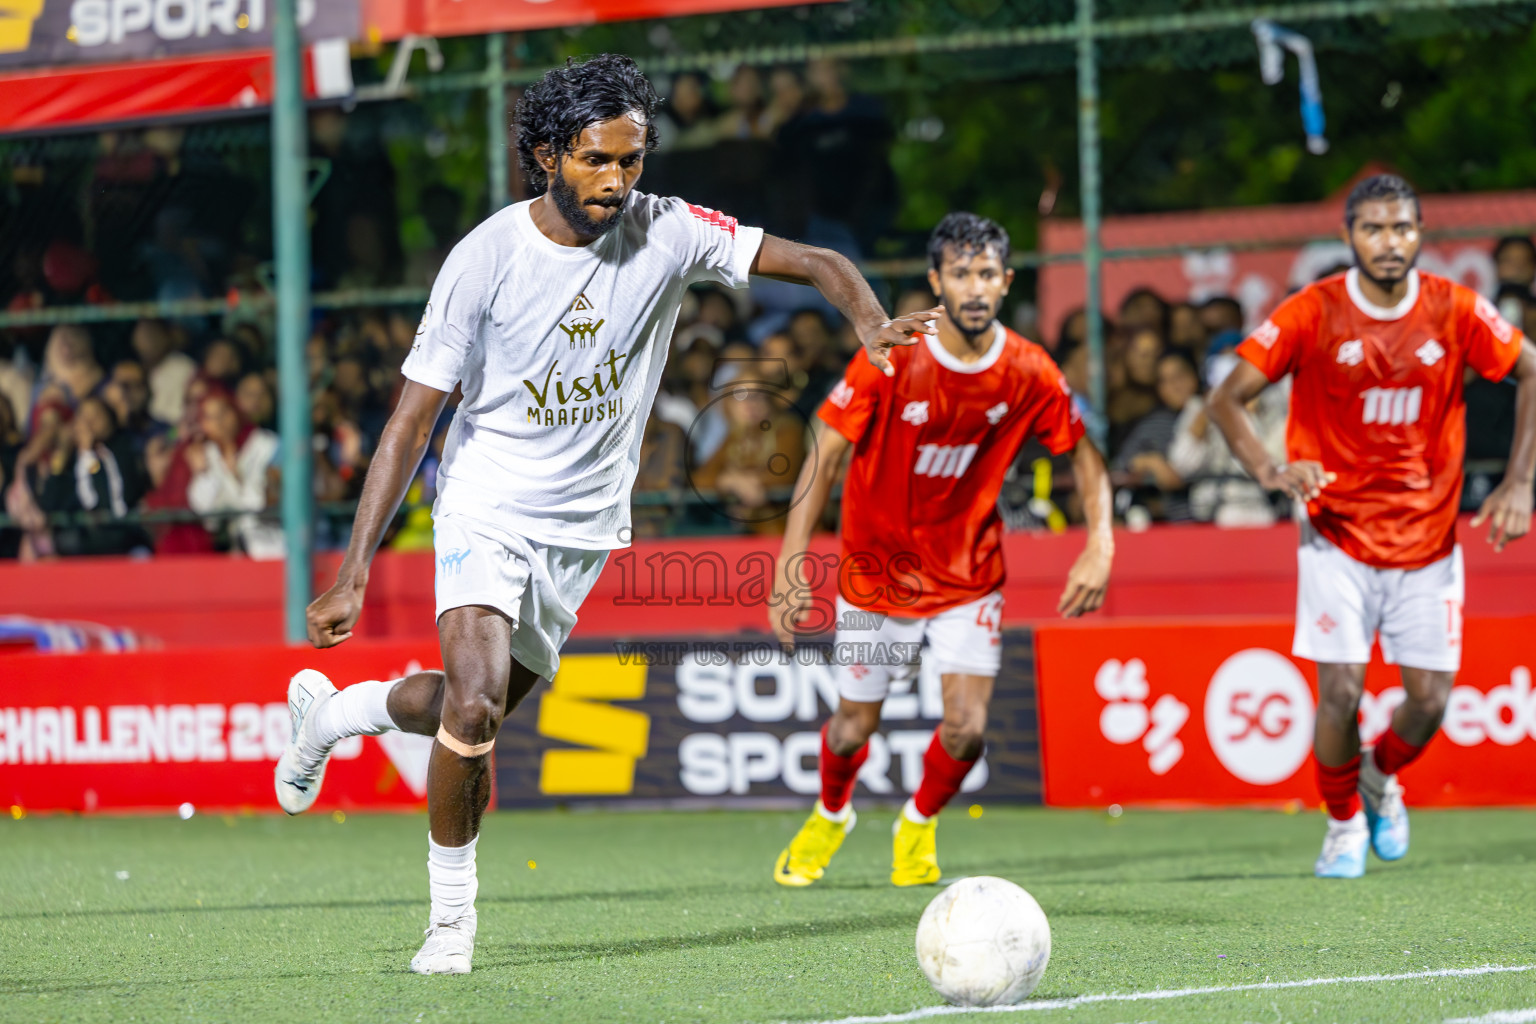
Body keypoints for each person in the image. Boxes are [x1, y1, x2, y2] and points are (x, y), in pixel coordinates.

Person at [274, 54, 939, 976]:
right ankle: (451, 926)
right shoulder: (485, 259)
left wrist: (868, 319)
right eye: (597, 160)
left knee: (476, 712)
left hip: (583, 530)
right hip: (485, 502)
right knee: (470, 706)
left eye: (633, 160)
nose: (618, 181)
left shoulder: (668, 228)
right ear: (546, 153)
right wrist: (351, 572)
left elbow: (817, 260)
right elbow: (409, 425)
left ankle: (335, 715)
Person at [769, 212, 1113, 889]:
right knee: (850, 729)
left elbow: (1086, 455)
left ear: (1007, 282)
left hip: (968, 577)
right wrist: (789, 563)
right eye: (961, 273)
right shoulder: (893, 355)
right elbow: (825, 450)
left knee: (966, 730)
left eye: (987, 273)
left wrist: (1100, 542)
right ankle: (831, 813)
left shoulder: (1029, 370)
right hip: (876, 577)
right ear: (936, 280)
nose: (975, 287)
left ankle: (919, 821)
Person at [1208, 174, 1536, 879]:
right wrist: (1270, 471)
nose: (1390, 243)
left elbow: (1532, 369)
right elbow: (1228, 397)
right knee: (1341, 692)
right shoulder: (1312, 312)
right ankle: (1341, 823)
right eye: (1375, 230)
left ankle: (1381, 777)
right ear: (1349, 236)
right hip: (1338, 534)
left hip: (1429, 540)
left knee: (1428, 701)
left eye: (1403, 229)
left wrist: (1520, 481)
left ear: (1421, 234)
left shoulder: (1455, 309)